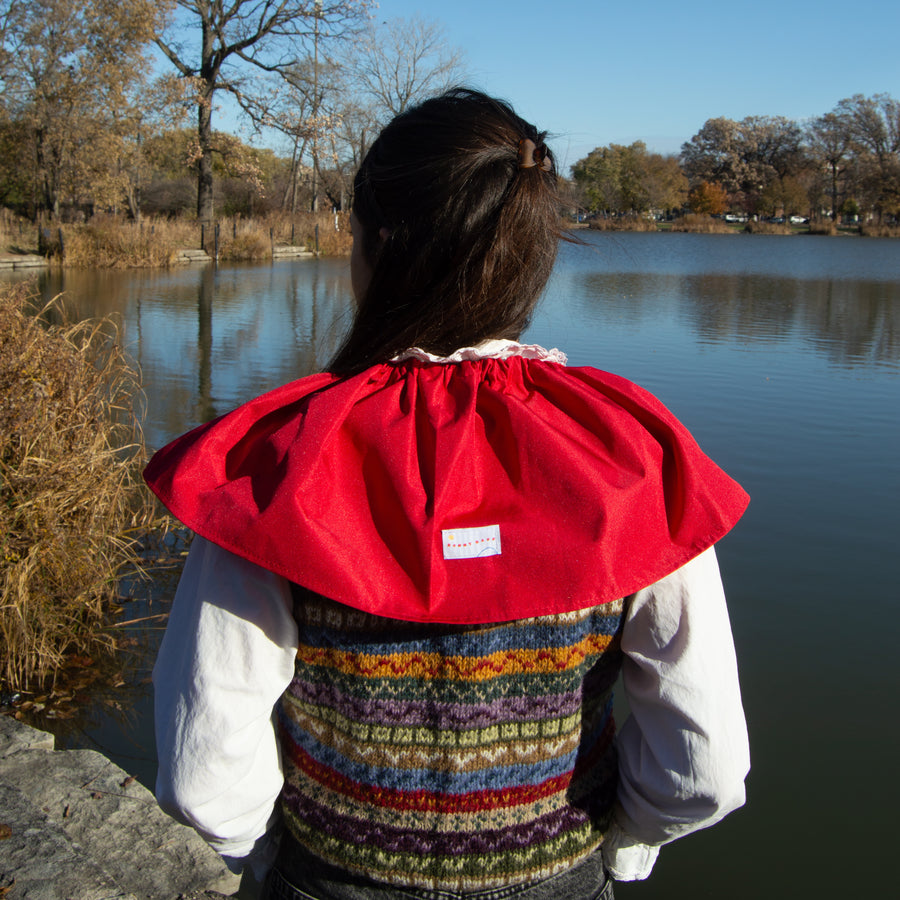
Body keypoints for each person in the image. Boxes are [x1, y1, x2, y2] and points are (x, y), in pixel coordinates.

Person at [146, 89, 750, 900]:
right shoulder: (626, 456)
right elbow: (704, 766)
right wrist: (622, 851)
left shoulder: (283, 463)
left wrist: (273, 864)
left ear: (375, 245)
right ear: (531, 253)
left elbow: (203, 774)